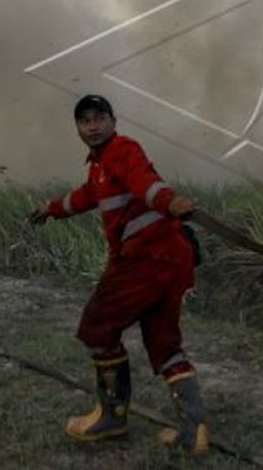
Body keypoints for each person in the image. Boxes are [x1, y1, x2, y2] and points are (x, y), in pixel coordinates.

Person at [28, 94, 209, 454]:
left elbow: (146, 182)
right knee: (163, 342)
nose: (92, 126)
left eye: (99, 118)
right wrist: (50, 209)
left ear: (113, 121)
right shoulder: (98, 166)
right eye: (85, 121)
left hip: (147, 260)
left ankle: (111, 418)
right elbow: (85, 196)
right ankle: (194, 433)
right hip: (169, 260)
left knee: (98, 327)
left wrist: (170, 202)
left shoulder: (123, 150)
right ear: (78, 128)